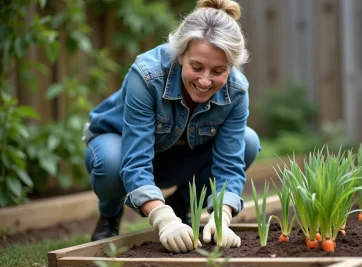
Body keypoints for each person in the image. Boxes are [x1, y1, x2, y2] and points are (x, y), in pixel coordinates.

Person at [83, 0, 260, 253]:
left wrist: (222, 216)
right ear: (180, 55)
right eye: (196, 67)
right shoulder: (147, 76)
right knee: (110, 163)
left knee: (248, 142)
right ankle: (110, 215)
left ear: (231, 67)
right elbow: (135, 161)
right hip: (122, 145)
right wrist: (162, 219)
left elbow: (229, 164)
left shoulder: (237, 91)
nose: (205, 80)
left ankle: (183, 203)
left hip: (177, 158)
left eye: (218, 70)